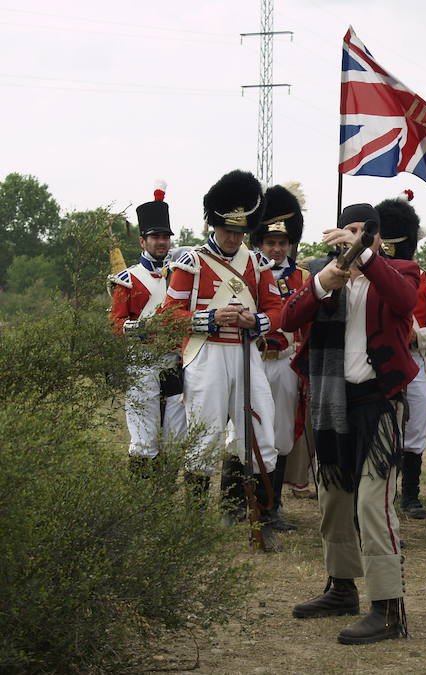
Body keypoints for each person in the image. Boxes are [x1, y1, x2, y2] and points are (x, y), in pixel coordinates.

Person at [284, 203, 419, 645]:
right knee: (335, 499)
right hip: (331, 400)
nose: (351, 236)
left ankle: (388, 609)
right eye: (347, 229)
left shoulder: (399, 270)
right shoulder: (323, 273)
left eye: (361, 231)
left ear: (376, 238)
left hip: (377, 402)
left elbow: (404, 302)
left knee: (371, 505)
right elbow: (288, 318)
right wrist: (323, 282)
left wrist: (362, 257)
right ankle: (341, 588)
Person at [161, 169, 283, 551]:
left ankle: (247, 512)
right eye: (227, 230)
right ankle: (195, 522)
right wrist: (210, 318)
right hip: (207, 353)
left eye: (239, 231)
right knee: (204, 436)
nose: (233, 237)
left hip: (246, 351)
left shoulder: (259, 265)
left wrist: (256, 321)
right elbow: (167, 316)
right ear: (214, 225)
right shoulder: (191, 264)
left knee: (260, 434)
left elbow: (278, 310)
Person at [375, 191, 426, 520]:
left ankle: (411, 494)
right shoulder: (369, 276)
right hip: (378, 359)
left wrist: (420, 335)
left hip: (413, 359)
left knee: (416, 424)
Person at [108, 182, 186, 477]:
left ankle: (164, 497)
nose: (161, 242)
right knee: (143, 438)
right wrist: (141, 329)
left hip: (175, 363)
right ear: (143, 241)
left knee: (177, 437)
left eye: (165, 236)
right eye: (155, 237)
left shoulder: (181, 274)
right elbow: (116, 324)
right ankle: (142, 507)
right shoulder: (128, 278)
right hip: (142, 364)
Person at [248, 183, 306, 531]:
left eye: (283, 243)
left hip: (285, 360)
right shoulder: (249, 274)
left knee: (281, 433)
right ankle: (243, 501)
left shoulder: (303, 277)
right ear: (259, 243)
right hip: (255, 359)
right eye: (270, 242)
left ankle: (273, 506)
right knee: (248, 430)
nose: (277, 248)